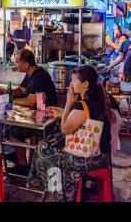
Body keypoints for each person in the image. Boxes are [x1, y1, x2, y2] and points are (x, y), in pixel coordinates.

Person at [28, 65, 113, 202]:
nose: (71, 84)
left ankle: (61, 195)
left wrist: (68, 103)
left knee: (44, 150)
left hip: (91, 157)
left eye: (73, 81)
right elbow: (77, 121)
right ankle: (58, 192)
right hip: (102, 153)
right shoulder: (97, 100)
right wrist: (65, 113)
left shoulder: (83, 104)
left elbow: (65, 129)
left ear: (85, 84)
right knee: (51, 147)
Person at [7, 48, 58, 175]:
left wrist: (11, 101)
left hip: (46, 119)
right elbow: (21, 90)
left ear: (26, 65)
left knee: (12, 131)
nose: (15, 64)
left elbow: (30, 102)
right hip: (36, 116)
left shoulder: (39, 77)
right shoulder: (31, 73)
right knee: (11, 126)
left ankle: (23, 165)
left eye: (17, 62)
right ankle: (19, 152)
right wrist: (5, 93)